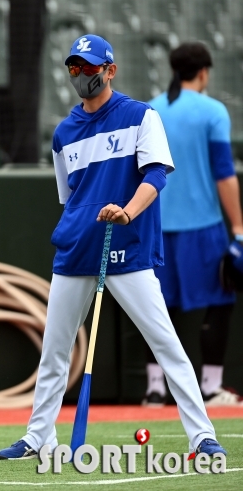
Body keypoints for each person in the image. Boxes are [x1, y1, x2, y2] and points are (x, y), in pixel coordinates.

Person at [0, 35, 227, 460]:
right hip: (75, 252)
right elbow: (70, 198)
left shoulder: (141, 116)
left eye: (88, 67)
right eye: (74, 68)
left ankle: (202, 436)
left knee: (166, 344)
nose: (81, 75)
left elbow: (156, 176)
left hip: (129, 251)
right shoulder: (63, 133)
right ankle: (37, 437)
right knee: (55, 351)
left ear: (110, 70)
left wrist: (127, 211)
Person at [143, 42, 243, 407]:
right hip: (203, 227)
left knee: (150, 306)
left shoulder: (150, 109)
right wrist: (239, 230)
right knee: (219, 300)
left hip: (153, 225)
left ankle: (154, 389)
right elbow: (224, 174)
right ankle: (211, 387)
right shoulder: (213, 111)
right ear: (203, 72)